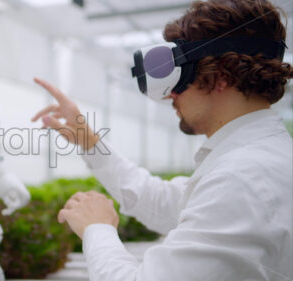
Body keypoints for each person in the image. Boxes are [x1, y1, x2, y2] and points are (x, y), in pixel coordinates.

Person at [30, 0, 293, 280]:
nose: (170, 94)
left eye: (180, 73)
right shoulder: (256, 160)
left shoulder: (243, 178)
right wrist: (89, 141)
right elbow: (160, 201)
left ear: (221, 75)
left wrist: (97, 228)